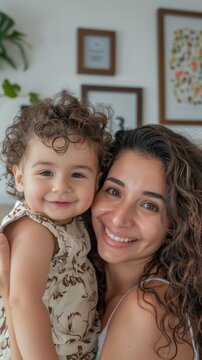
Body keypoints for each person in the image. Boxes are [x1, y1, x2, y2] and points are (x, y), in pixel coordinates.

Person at [0, 124, 201, 360]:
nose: (119, 218)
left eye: (149, 205)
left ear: (175, 224)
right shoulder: (87, 282)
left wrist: (9, 291)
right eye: (114, 191)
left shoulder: (146, 309)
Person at [0, 91, 111, 360]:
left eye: (77, 174)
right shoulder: (34, 229)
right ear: (20, 178)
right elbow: (22, 302)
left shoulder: (73, 222)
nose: (61, 186)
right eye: (46, 172)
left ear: (96, 182)